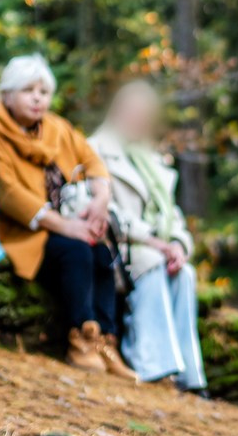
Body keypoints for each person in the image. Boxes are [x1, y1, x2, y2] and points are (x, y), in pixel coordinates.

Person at [0, 54, 134, 380]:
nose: (38, 98)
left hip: (71, 223)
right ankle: (81, 337)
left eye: (43, 91)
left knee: (100, 251)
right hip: (29, 233)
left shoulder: (58, 128)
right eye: (28, 90)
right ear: (7, 94)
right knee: (76, 250)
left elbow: (93, 161)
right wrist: (69, 227)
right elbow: (11, 197)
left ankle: (106, 339)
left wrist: (100, 200)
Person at [89, 81, 208, 396]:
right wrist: (154, 243)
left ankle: (189, 375)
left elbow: (175, 218)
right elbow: (105, 212)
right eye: (134, 112)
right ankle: (152, 363)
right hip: (121, 248)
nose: (140, 120)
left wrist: (179, 247)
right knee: (153, 262)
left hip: (156, 248)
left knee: (184, 272)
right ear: (119, 110)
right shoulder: (96, 149)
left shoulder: (152, 161)